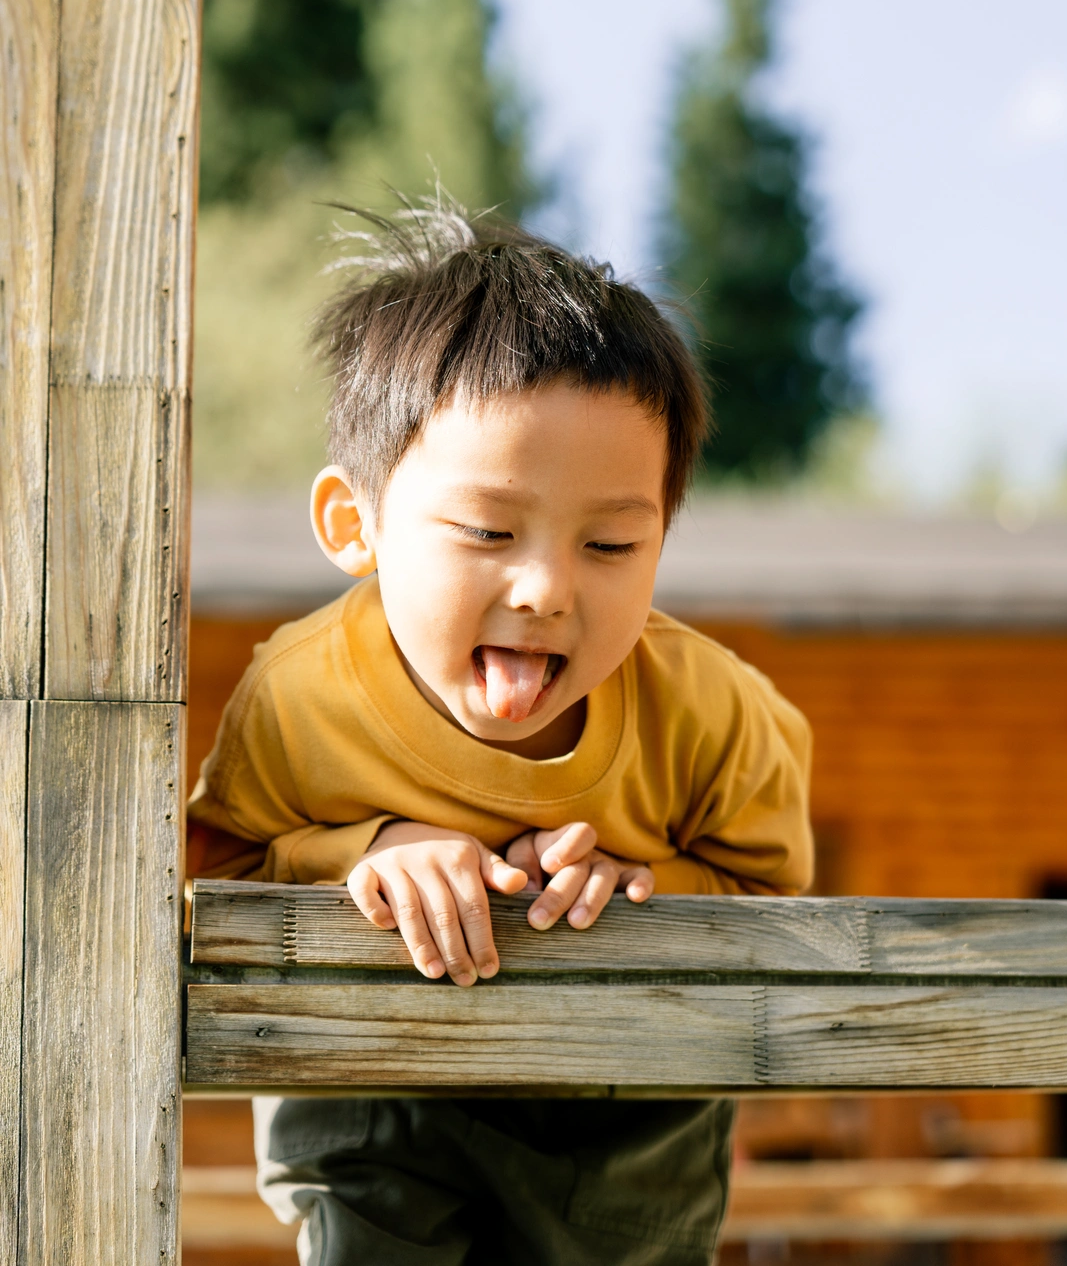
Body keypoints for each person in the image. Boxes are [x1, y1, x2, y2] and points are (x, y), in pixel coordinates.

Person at [187, 201, 813, 1266]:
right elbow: (212, 881)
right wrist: (368, 853)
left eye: (611, 544)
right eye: (487, 531)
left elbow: (774, 897)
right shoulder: (302, 697)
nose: (545, 588)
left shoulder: (711, 711)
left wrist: (641, 880)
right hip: (380, 1095)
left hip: (629, 1121)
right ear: (358, 524)